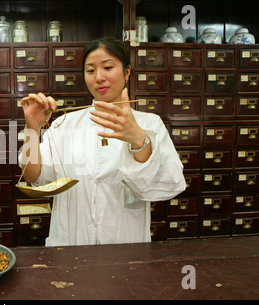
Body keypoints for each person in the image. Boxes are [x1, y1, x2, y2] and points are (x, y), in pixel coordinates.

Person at [19, 36, 186, 246]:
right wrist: (32, 129)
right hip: (71, 244)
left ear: (127, 72)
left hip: (125, 246)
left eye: (107, 67)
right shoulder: (64, 124)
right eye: (90, 70)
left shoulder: (150, 124)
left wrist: (138, 139)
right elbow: (35, 176)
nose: (99, 77)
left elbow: (168, 184)